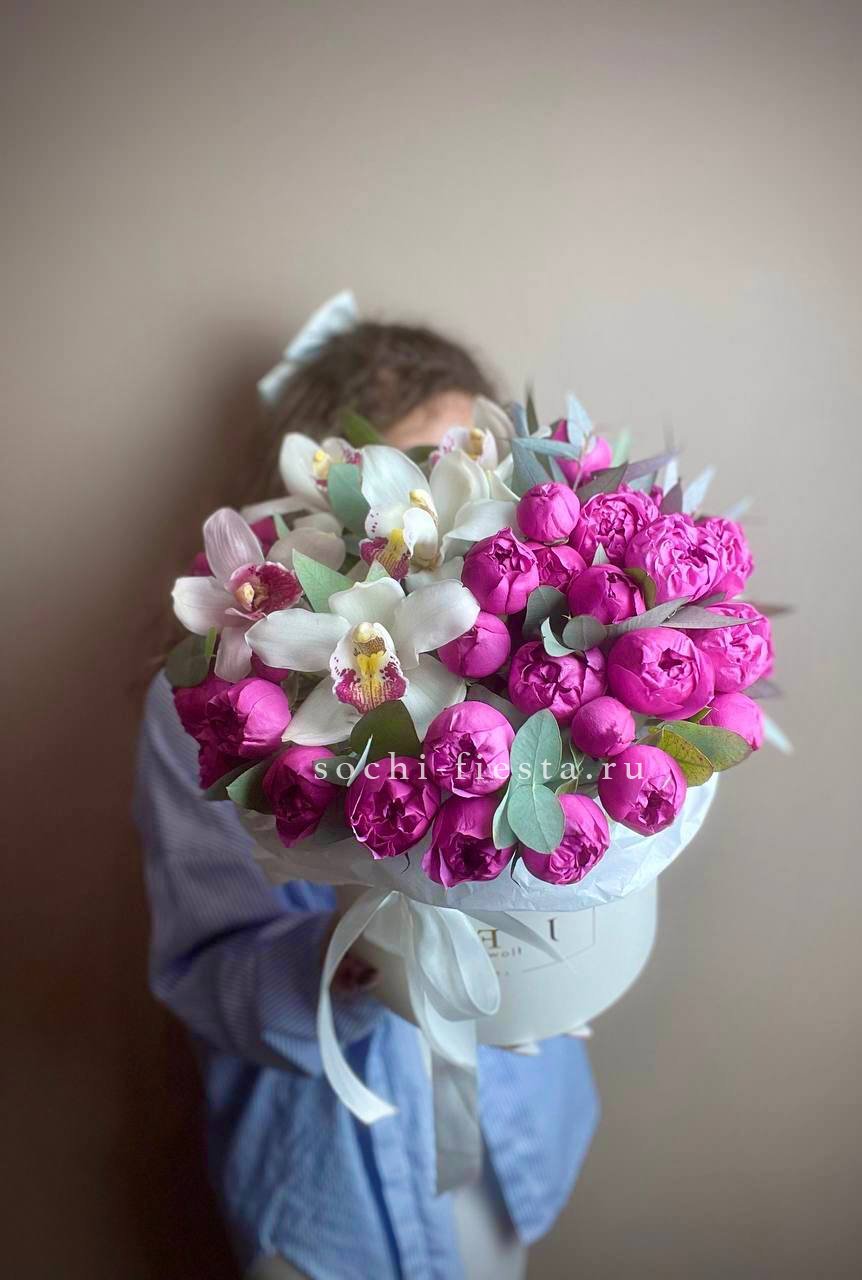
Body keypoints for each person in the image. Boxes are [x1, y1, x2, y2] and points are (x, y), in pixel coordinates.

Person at [134, 294, 599, 1280]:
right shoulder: (214, 712)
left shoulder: (540, 664)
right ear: (322, 506)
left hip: (517, 1140)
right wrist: (365, 961)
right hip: (329, 1190)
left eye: (478, 468)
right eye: (417, 480)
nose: (453, 519)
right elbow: (206, 971)